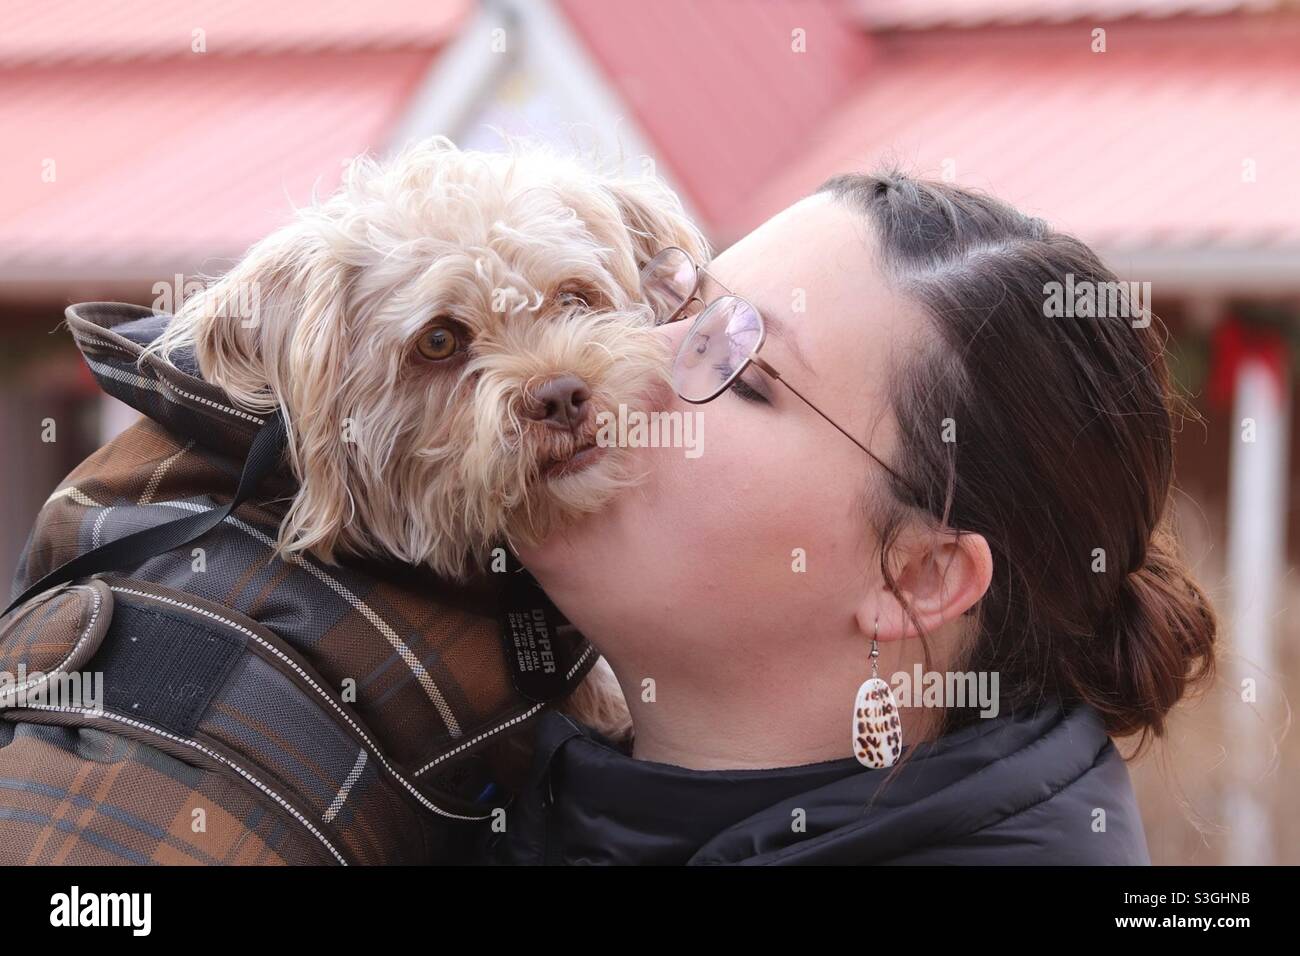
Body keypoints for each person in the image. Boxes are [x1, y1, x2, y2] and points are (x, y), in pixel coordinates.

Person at [475, 170, 1217, 865]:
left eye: (746, 375)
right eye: (682, 308)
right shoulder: (445, 772)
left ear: (919, 577)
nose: (629, 354)